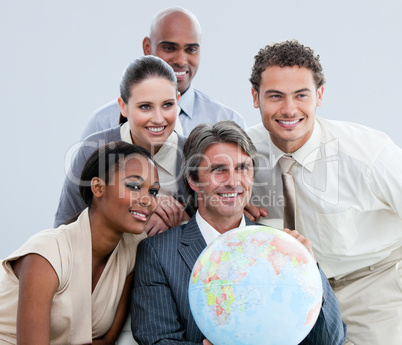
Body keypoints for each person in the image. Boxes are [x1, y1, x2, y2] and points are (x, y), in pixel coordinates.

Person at [131, 120, 346, 345]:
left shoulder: (282, 251)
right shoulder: (158, 253)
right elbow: (157, 340)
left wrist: (311, 269)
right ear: (193, 180)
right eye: (218, 170)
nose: (233, 182)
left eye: (242, 168)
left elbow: (330, 341)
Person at [245, 40, 402, 345]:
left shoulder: (369, 156)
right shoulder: (241, 155)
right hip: (289, 292)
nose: (289, 109)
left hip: (369, 284)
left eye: (300, 95)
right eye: (275, 96)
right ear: (255, 97)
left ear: (319, 94)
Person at [0, 141, 159, 344]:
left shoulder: (134, 247)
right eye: (134, 186)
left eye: (153, 191)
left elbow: (106, 340)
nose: (147, 200)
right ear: (98, 187)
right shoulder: (46, 254)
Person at [55, 55, 189, 236]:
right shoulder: (93, 150)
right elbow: (64, 228)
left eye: (167, 105)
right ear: (123, 107)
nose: (158, 118)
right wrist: (147, 209)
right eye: (145, 107)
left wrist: (180, 216)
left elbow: (211, 228)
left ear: (178, 102)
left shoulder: (193, 152)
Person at [80, 7, 246, 139]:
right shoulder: (103, 122)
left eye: (191, 49)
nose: (181, 60)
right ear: (147, 47)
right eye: (169, 48)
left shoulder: (227, 120)